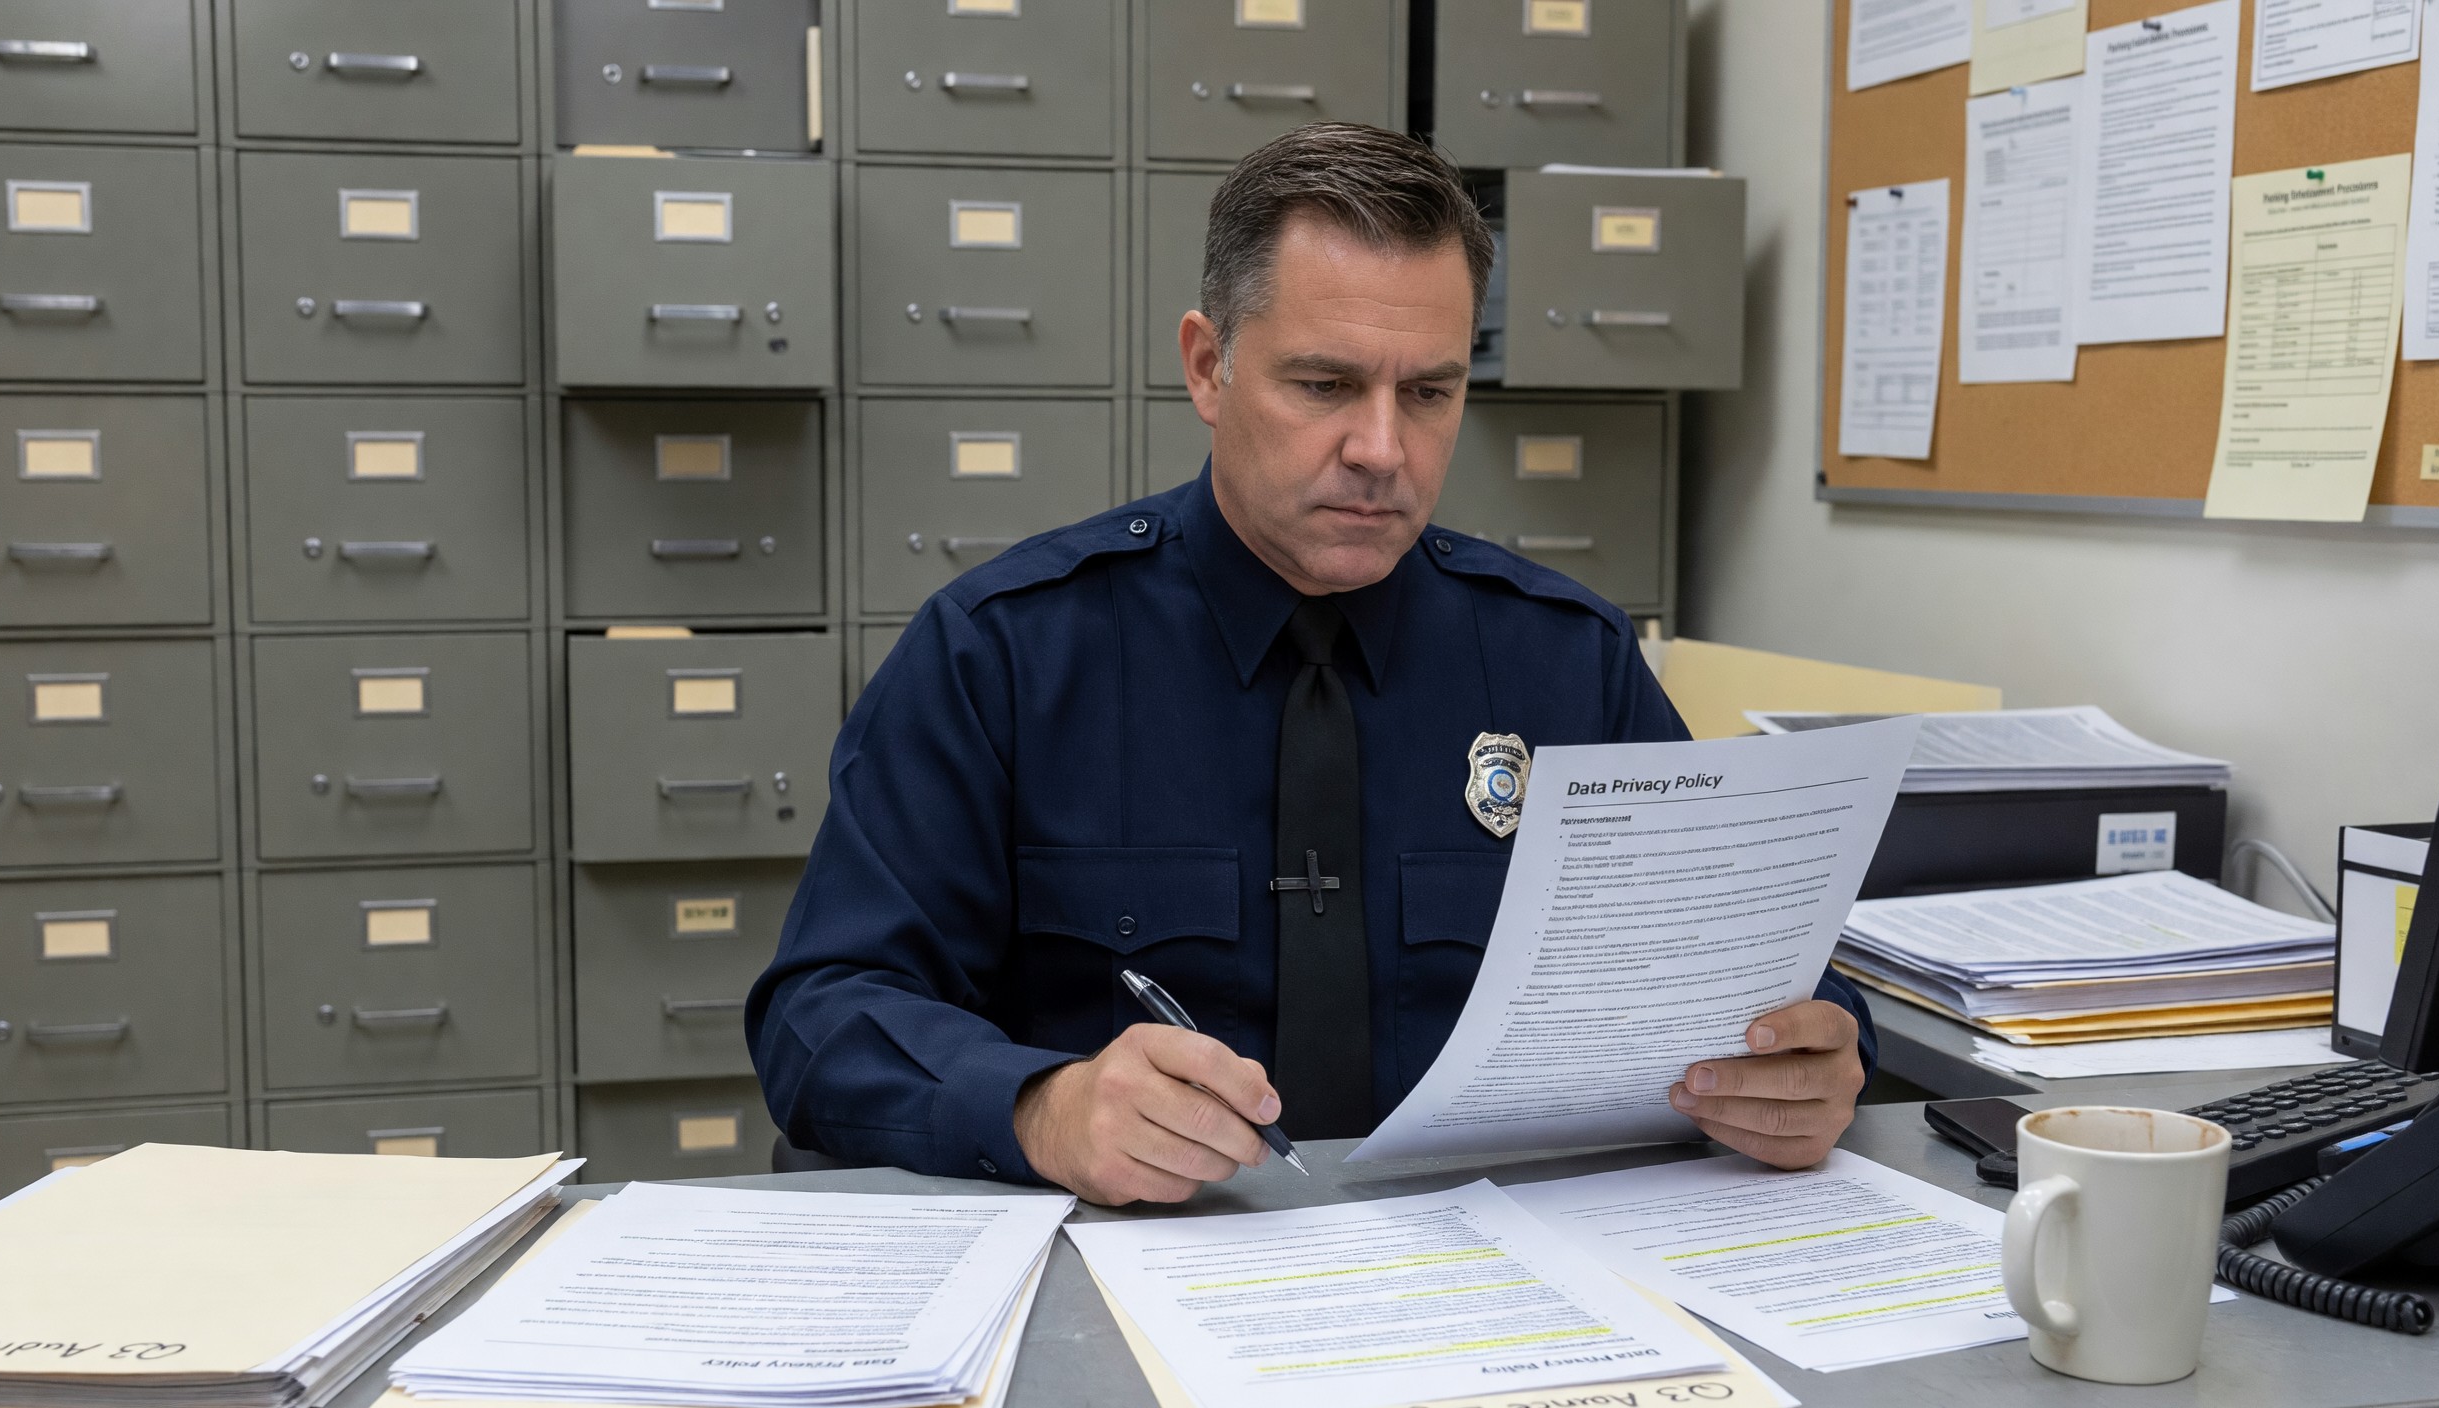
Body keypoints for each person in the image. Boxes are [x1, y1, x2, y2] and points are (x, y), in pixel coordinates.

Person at [746, 121, 1874, 1206]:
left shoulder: (1565, 662)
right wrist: (1042, 1102)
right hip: (1135, 1279)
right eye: (1326, 385)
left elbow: (1760, 978)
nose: (1382, 449)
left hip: (1498, 1282)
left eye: (1427, 393)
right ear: (1207, 368)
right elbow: (825, 1009)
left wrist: (1814, 1062)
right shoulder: (1006, 652)